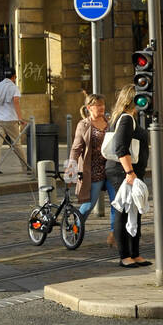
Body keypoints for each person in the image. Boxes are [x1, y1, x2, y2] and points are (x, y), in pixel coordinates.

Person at [103, 84, 150, 267]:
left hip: (129, 171)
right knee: (123, 212)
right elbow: (121, 148)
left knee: (135, 211)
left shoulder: (126, 118)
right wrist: (129, 172)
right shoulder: (126, 119)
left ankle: (135, 253)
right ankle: (125, 256)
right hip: (122, 171)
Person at [68, 93, 118, 246]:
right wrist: (71, 167)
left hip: (110, 169)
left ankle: (114, 235)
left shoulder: (110, 122)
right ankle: (75, 226)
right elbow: (76, 149)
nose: (102, 107)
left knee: (117, 202)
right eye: (98, 105)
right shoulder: (84, 124)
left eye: (103, 104)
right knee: (89, 204)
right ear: (89, 108)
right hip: (93, 171)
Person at [0, 67, 25, 173]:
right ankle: (25, 166)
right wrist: (20, 118)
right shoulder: (13, 87)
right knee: (16, 144)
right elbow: (16, 101)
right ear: (14, 76)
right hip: (11, 120)